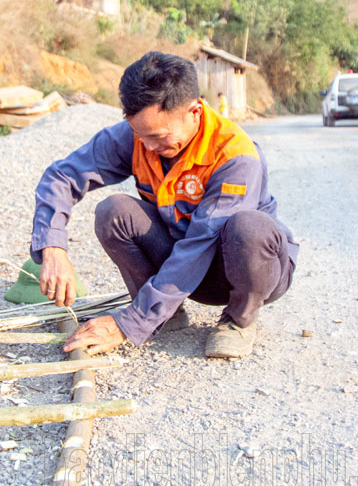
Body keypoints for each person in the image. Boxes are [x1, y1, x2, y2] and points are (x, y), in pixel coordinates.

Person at [30, 52, 297, 359]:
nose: (148, 148)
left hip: (245, 270)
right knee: (113, 212)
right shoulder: (140, 136)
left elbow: (200, 245)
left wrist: (128, 324)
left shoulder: (235, 155)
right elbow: (62, 175)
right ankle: (166, 314)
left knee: (249, 228)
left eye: (158, 137)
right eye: (139, 135)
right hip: (184, 270)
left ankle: (238, 319)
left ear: (194, 111)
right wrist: (53, 247)